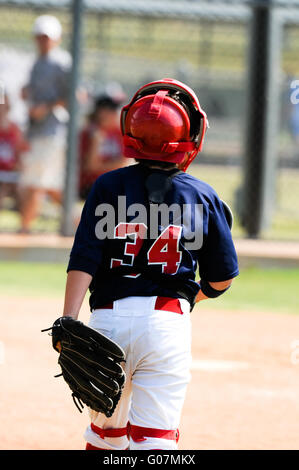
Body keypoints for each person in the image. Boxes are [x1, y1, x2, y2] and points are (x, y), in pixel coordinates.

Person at [61, 78, 239, 450]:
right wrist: (191, 300)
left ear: (130, 132)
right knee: (156, 441)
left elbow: (84, 259)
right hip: (166, 323)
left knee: (105, 438)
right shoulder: (202, 195)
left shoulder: (107, 186)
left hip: (107, 321)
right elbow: (221, 278)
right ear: (190, 136)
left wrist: (68, 320)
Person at [19, 15, 71, 233]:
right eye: (40, 37)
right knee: (46, 185)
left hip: (52, 130)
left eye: (47, 37)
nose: (43, 41)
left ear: (57, 39)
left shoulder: (61, 62)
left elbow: (74, 95)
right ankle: (82, 222)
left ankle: (24, 229)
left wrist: (47, 107)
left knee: (37, 183)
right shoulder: (38, 62)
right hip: (36, 130)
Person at [79, 95, 125, 200]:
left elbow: (123, 164)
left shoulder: (121, 134)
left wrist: (100, 166)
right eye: (111, 110)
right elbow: (89, 166)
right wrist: (95, 143)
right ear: (100, 112)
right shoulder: (88, 133)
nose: (115, 113)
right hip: (91, 186)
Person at [0, 93, 27, 210]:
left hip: (11, 171)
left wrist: (19, 165)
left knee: (22, 190)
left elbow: (21, 152)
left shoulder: (15, 128)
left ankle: (25, 222)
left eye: (5, 105)